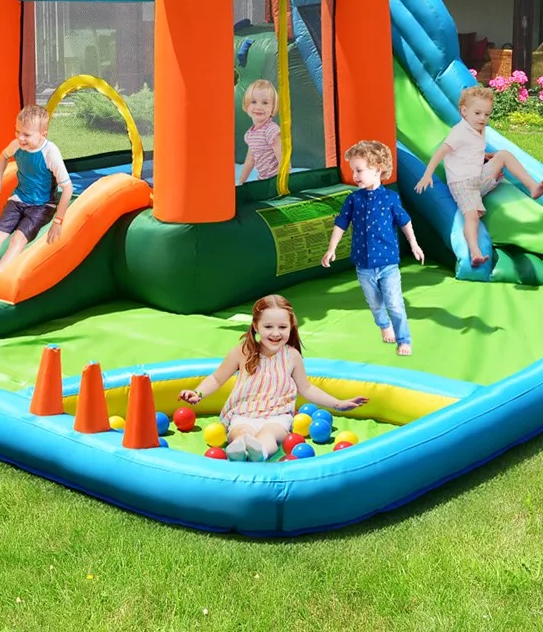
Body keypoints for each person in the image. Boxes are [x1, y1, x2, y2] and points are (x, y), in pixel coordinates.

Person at [178, 294, 367, 461]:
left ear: (291, 327)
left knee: (269, 434)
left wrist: (337, 403)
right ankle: (238, 450)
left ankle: (260, 452)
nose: (276, 333)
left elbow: (307, 388)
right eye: (268, 326)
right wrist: (198, 393)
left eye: (282, 327)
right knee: (242, 432)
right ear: (256, 326)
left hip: (277, 415)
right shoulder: (243, 352)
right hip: (243, 413)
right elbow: (217, 378)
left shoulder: (291, 356)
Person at [415, 85, 543, 268]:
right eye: (478, 113)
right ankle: (475, 252)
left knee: (503, 154)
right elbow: (441, 152)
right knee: (472, 216)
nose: (482, 118)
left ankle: (533, 187)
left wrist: (486, 156)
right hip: (463, 184)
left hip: (478, 177)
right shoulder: (459, 132)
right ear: (464, 111)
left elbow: (472, 149)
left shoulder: (479, 129)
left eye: (487, 114)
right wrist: (427, 175)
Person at [0, 104, 72, 294]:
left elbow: (67, 187)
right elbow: (3, 156)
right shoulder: (17, 145)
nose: (20, 138)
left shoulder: (50, 153)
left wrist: (58, 220)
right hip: (18, 199)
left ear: (43, 134)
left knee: (17, 239)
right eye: (17, 132)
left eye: (26, 135)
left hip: (42, 205)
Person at [320, 140, 424, 356]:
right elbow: (341, 223)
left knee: (395, 304)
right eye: (353, 171)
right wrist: (331, 249)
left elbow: (404, 221)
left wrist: (414, 244)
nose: (355, 176)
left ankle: (404, 339)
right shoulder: (353, 199)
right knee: (375, 304)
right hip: (364, 265)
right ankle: (384, 325)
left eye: (359, 170)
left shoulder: (390, 198)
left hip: (388, 263)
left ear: (377, 169)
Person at [238, 79, 282, 183]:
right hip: (263, 180)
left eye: (265, 103)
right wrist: (241, 182)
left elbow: (283, 160)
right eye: (253, 102)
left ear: (272, 108)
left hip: (276, 179)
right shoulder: (250, 134)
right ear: (246, 105)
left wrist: (282, 183)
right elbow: (250, 160)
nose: (259, 107)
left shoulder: (271, 130)